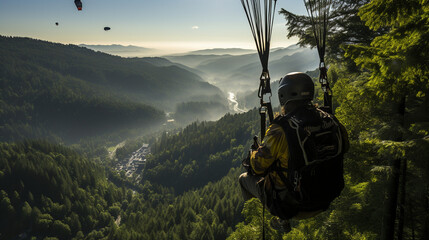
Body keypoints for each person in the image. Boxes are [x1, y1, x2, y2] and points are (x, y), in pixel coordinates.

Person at [239, 72, 349, 233]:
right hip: (326, 197)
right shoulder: (330, 120)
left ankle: (263, 221)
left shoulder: (282, 129)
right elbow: (344, 147)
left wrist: (253, 152)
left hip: (294, 205)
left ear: (283, 95)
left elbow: (257, 167)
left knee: (243, 179)